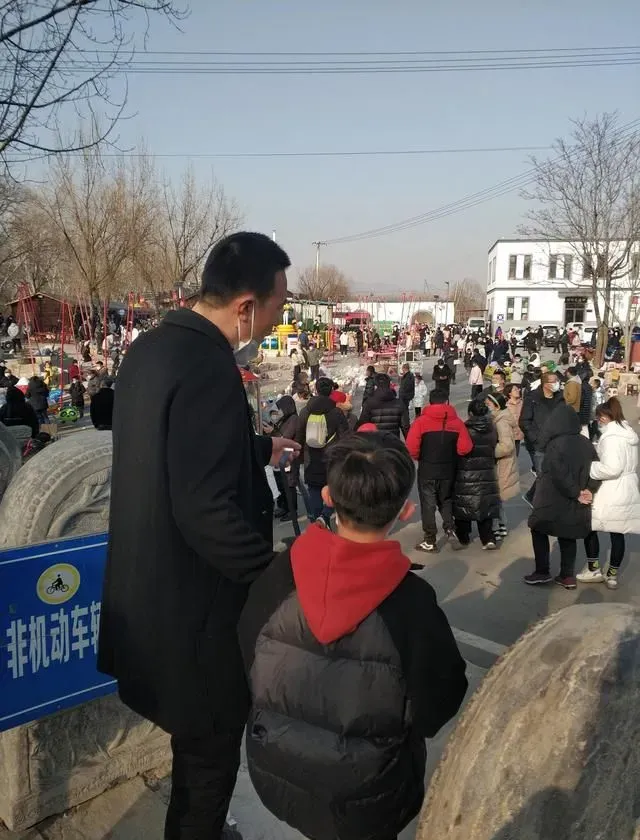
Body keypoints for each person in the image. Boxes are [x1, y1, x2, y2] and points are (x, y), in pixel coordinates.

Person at [97, 232, 300, 840]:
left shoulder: (151, 349)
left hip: (145, 601)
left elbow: (174, 448)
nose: (276, 319)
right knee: (207, 770)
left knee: (192, 758)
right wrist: (277, 576)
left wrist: (261, 446)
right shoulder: (211, 367)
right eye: (277, 307)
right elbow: (203, 507)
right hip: (195, 620)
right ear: (245, 307)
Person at [238, 432, 468, 840]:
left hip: (280, 774)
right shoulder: (411, 603)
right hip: (371, 795)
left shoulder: (279, 574)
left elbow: (245, 657)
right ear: (405, 511)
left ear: (327, 496)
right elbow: (439, 702)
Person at [525, 403, 597, 589]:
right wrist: (589, 489)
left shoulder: (555, 444)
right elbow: (597, 470)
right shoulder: (586, 443)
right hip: (577, 500)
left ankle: (542, 571)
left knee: (538, 528)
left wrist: (575, 492)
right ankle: (567, 576)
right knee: (568, 535)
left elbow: (558, 472)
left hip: (553, 498)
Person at [578, 398, 640, 590]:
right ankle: (612, 575)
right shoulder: (628, 434)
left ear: (604, 417)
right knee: (618, 532)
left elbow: (612, 468)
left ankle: (593, 568)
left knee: (590, 526)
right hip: (628, 486)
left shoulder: (611, 438)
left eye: (598, 418)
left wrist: (592, 467)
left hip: (611, 489)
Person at [406, 389, 472, 553]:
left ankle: (430, 539)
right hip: (449, 469)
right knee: (446, 500)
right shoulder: (457, 423)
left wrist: (419, 457)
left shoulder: (421, 422)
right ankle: (450, 529)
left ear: (430, 402)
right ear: (447, 402)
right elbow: (465, 448)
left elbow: (411, 447)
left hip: (428, 468)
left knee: (428, 505)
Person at [297, 376, 349, 526]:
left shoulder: (305, 411)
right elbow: (345, 436)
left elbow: (299, 435)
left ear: (316, 390)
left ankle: (317, 520)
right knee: (334, 487)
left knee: (314, 489)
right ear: (332, 390)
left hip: (311, 458)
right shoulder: (336, 412)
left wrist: (299, 457)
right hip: (332, 458)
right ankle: (326, 515)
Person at [452, 401, 500, 549]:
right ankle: (488, 538)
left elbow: (459, 449)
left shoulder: (465, 429)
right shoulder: (492, 427)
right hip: (487, 470)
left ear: (470, 413)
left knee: (463, 505)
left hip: (466, 472)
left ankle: (463, 536)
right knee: (485, 505)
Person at [520, 371, 564, 501]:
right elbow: (524, 421)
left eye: (557, 381)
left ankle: (531, 495)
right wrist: (535, 438)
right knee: (542, 473)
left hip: (556, 441)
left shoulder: (560, 398)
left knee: (549, 472)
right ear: (545, 384)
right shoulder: (533, 398)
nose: (557, 384)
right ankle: (541, 503)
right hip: (537, 444)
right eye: (554, 381)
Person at [486, 392, 520, 540]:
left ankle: (497, 527)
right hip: (500, 464)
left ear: (496, 405)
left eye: (488, 403)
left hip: (501, 465)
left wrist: (488, 452)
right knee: (496, 498)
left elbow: (506, 446)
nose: (486, 405)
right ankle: (501, 524)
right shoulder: (498, 418)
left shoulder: (501, 422)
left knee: (495, 497)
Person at [271, 395, 300, 523]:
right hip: (282, 453)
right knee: (281, 482)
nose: (280, 411)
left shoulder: (294, 419)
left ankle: (292, 510)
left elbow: (286, 436)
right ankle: (284, 506)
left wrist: (274, 431)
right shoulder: (284, 419)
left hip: (290, 453)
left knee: (289, 483)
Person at [356, 373, 410, 439]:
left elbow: (362, 424)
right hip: (394, 443)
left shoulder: (369, 403)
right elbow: (406, 427)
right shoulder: (399, 403)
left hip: (376, 444)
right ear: (389, 385)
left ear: (375, 386)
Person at [504, 383, 524, 457]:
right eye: (515, 390)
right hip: (509, 434)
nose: (518, 391)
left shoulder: (522, 403)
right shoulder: (506, 405)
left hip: (519, 434)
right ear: (510, 393)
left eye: (518, 389)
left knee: (516, 455)